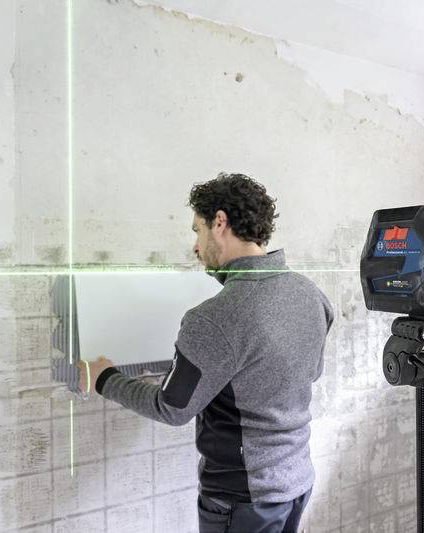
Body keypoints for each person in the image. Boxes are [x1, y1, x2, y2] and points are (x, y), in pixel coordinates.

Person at [78, 173, 334, 533]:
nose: (196, 247)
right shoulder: (310, 294)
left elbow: (171, 408)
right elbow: (304, 373)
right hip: (297, 482)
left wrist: (103, 377)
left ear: (220, 222)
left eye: (197, 231)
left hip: (245, 498)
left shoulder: (215, 317)